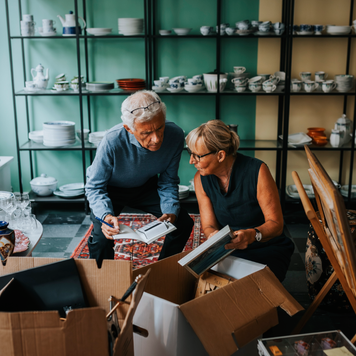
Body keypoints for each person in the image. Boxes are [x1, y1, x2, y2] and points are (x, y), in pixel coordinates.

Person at [85, 90, 194, 267]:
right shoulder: (112, 141)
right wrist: (105, 215)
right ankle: (101, 279)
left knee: (182, 222)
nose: (156, 139)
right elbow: (95, 187)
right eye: (146, 133)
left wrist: (170, 210)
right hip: (110, 188)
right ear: (129, 129)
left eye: (160, 128)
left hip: (145, 185)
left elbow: (168, 180)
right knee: (102, 237)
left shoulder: (175, 136)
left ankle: (163, 269)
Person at [186, 120, 294, 282]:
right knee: (199, 283)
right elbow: (209, 226)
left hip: (265, 246)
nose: (191, 161)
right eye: (191, 154)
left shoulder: (257, 171)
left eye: (198, 156)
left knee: (250, 290)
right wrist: (214, 236)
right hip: (229, 249)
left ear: (221, 155)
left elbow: (276, 225)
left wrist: (253, 234)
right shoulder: (200, 180)